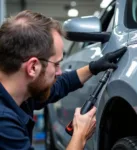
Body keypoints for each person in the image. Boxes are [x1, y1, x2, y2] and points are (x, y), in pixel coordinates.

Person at [0, 10, 126, 150]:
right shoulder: (4, 125)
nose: (60, 72)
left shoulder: (20, 93)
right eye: (57, 64)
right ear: (33, 67)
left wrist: (93, 67)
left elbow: (59, 86)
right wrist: (80, 135)